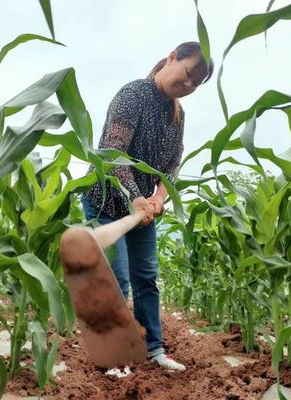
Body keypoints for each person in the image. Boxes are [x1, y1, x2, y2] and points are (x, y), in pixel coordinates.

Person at [81, 42, 214, 371]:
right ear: (172, 58)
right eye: (186, 75)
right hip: (107, 201)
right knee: (118, 278)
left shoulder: (177, 116)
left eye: (195, 84)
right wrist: (135, 196)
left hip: (141, 211)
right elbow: (113, 154)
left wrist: (158, 198)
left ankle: (154, 351)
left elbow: (171, 169)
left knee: (147, 278)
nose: (187, 86)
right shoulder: (133, 96)